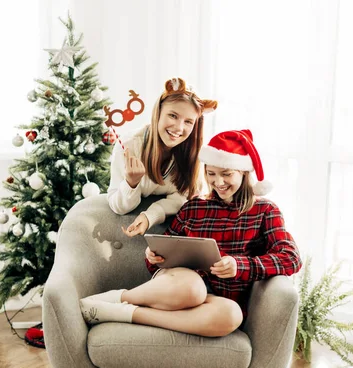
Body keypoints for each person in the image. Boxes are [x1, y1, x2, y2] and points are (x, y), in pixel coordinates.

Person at [80, 129, 303, 337]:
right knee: (192, 287)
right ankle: (119, 298)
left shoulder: (265, 210)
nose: (218, 182)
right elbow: (164, 249)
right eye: (212, 174)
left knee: (232, 315)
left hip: (214, 301)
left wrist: (240, 265)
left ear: (244, 173)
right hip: (179, 285)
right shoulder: (194, 207)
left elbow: (291, 258)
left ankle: (126, 313)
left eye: (226, 174)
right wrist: (154, 256)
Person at [107, 77, 218, 237]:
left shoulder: (192, 154)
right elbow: (118, 206)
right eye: (173, 116)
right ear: (158, 113)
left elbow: (181, 198)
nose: (179, 128)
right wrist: (131, 183)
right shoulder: (130, 145)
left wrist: (150, 215)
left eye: (188, 122)